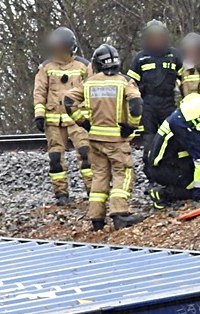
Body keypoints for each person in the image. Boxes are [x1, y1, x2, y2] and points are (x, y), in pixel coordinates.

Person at [64, 44, 144, 231]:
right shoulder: (124, 81)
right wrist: (132, 125)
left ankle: (96, 218)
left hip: (95, 139)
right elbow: (136, 103)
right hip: (116, 140)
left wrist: (83, 123)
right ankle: (119, 213)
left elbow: (68, 101)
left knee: (99, 176)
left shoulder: (89, 82)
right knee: (122, 173)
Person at [33, 27, 93, 205]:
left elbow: (91, 91)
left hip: (78, 120)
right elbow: (39, 91)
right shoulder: (46, 67)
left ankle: (93, 192)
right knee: (55, 159)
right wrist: (39, 114)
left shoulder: (84, 66)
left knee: (86, 155)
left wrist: (90, 116)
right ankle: (61, 194)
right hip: (54, 121)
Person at [128, 20, 181, 166]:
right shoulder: (140, 58)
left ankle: (170, 167)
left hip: (168, 102)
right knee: (149, 138)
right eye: (152, 37)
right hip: (148, 104)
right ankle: (150, 169)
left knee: (171, 136)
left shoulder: (174, 55)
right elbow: (131, 84)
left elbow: (186, 80)